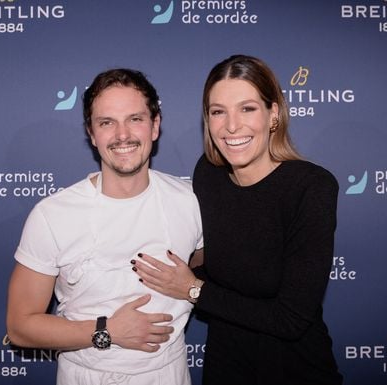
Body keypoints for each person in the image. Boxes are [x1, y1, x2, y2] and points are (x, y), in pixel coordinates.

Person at [132, 55, 343, 384]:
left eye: (247, 108)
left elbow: (290, 318)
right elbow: (220, 265)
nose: (231, 126)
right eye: (218, 111)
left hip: (295, 370)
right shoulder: (209, 174)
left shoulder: (311, 187)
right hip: (225, 366)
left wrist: (192, 288)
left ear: (273, 115)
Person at [6, 68, 203, 385]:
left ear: (155, 126)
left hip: (169, 374)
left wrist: (192, 287)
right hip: (86, 375)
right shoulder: (52, 214)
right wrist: (106, 330)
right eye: (107, 122)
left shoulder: (191, 201)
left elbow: (218, 269)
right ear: (91, 132)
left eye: (135, 119)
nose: (122, 135)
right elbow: (20, 326)